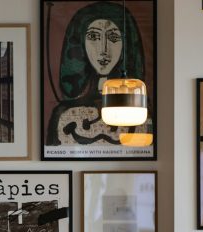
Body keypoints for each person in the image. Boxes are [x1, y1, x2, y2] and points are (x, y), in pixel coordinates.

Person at [45, 1, 152, 147]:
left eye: (113, 38)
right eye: (94, 37)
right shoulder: (64, 114)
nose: (103, 50)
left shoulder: (141, 113)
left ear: (126, 45)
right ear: (81, 42)